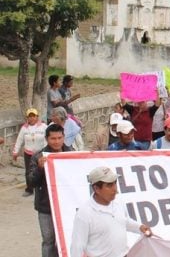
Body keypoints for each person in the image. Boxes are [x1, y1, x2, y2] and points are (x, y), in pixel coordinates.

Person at [70, 166, 152, 257]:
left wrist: (139, 227)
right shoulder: (84, 213)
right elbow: (77, 246)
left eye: (115, 183)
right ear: (96, 188)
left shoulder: (118, 202)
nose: (115, 189)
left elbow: (123, 221)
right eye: (109, 185)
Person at [30, 123, 72, 257]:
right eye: (53, 138)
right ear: (47, 139)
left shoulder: (72, 154)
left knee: (67, 238)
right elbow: (31, 182)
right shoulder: (38, 157)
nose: (57, 141)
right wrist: (40, 168)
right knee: (48, 241)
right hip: (46, 206)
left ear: (64, 137)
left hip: (67, 206)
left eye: (59, 138)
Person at [12, 108, 47, 196]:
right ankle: (29, 189)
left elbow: (47, 138)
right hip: (28, 153)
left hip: (40, 152)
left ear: (37, 117)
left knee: (42, 169)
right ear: (27, 118)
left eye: (33, 116)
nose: (32, 118)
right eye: (30, 116)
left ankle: (42, 187)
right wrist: (15, 152)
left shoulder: (43, 127)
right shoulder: (24, 128)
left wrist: (47, 151)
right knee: (28, 171)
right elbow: (19, 140)